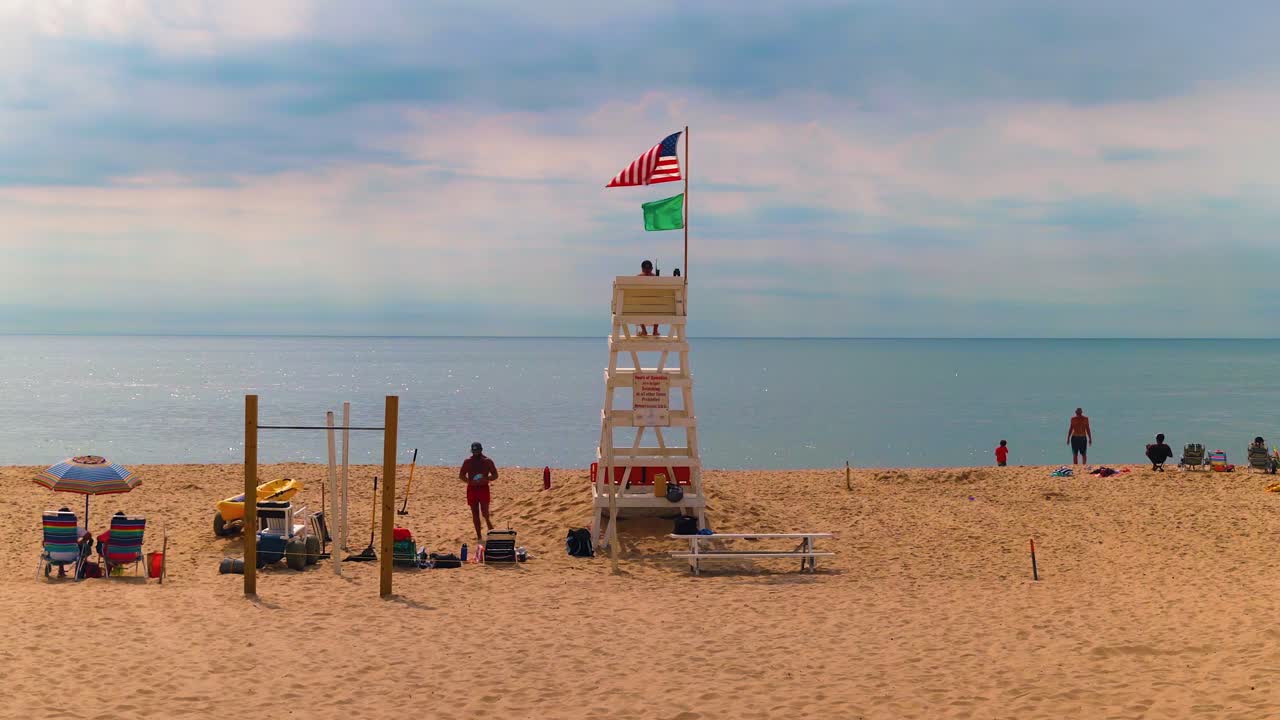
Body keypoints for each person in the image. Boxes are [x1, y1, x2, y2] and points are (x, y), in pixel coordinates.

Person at [459, 442, 498, 543]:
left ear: (481, 450)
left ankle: (491, 532)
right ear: (472, 451)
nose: (476, 452)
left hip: (483, 488)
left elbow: (495, 475)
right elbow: (461, 475)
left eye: (478, 450)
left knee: (485, 513)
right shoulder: (468, 461)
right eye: (474, 451)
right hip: (472, 489)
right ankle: (479, 536)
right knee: (475, 513)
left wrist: (487, 478)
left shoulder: (487, 461)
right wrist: (470, 481)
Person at [636, 260, 660, 337]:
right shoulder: (657, 280)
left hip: (640, 309)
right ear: (652, 268)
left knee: (638, 306)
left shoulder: (636, 279)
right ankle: (655, 331)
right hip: (656, 309)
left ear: (642, 269)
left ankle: (644, 330)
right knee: (659, 305)